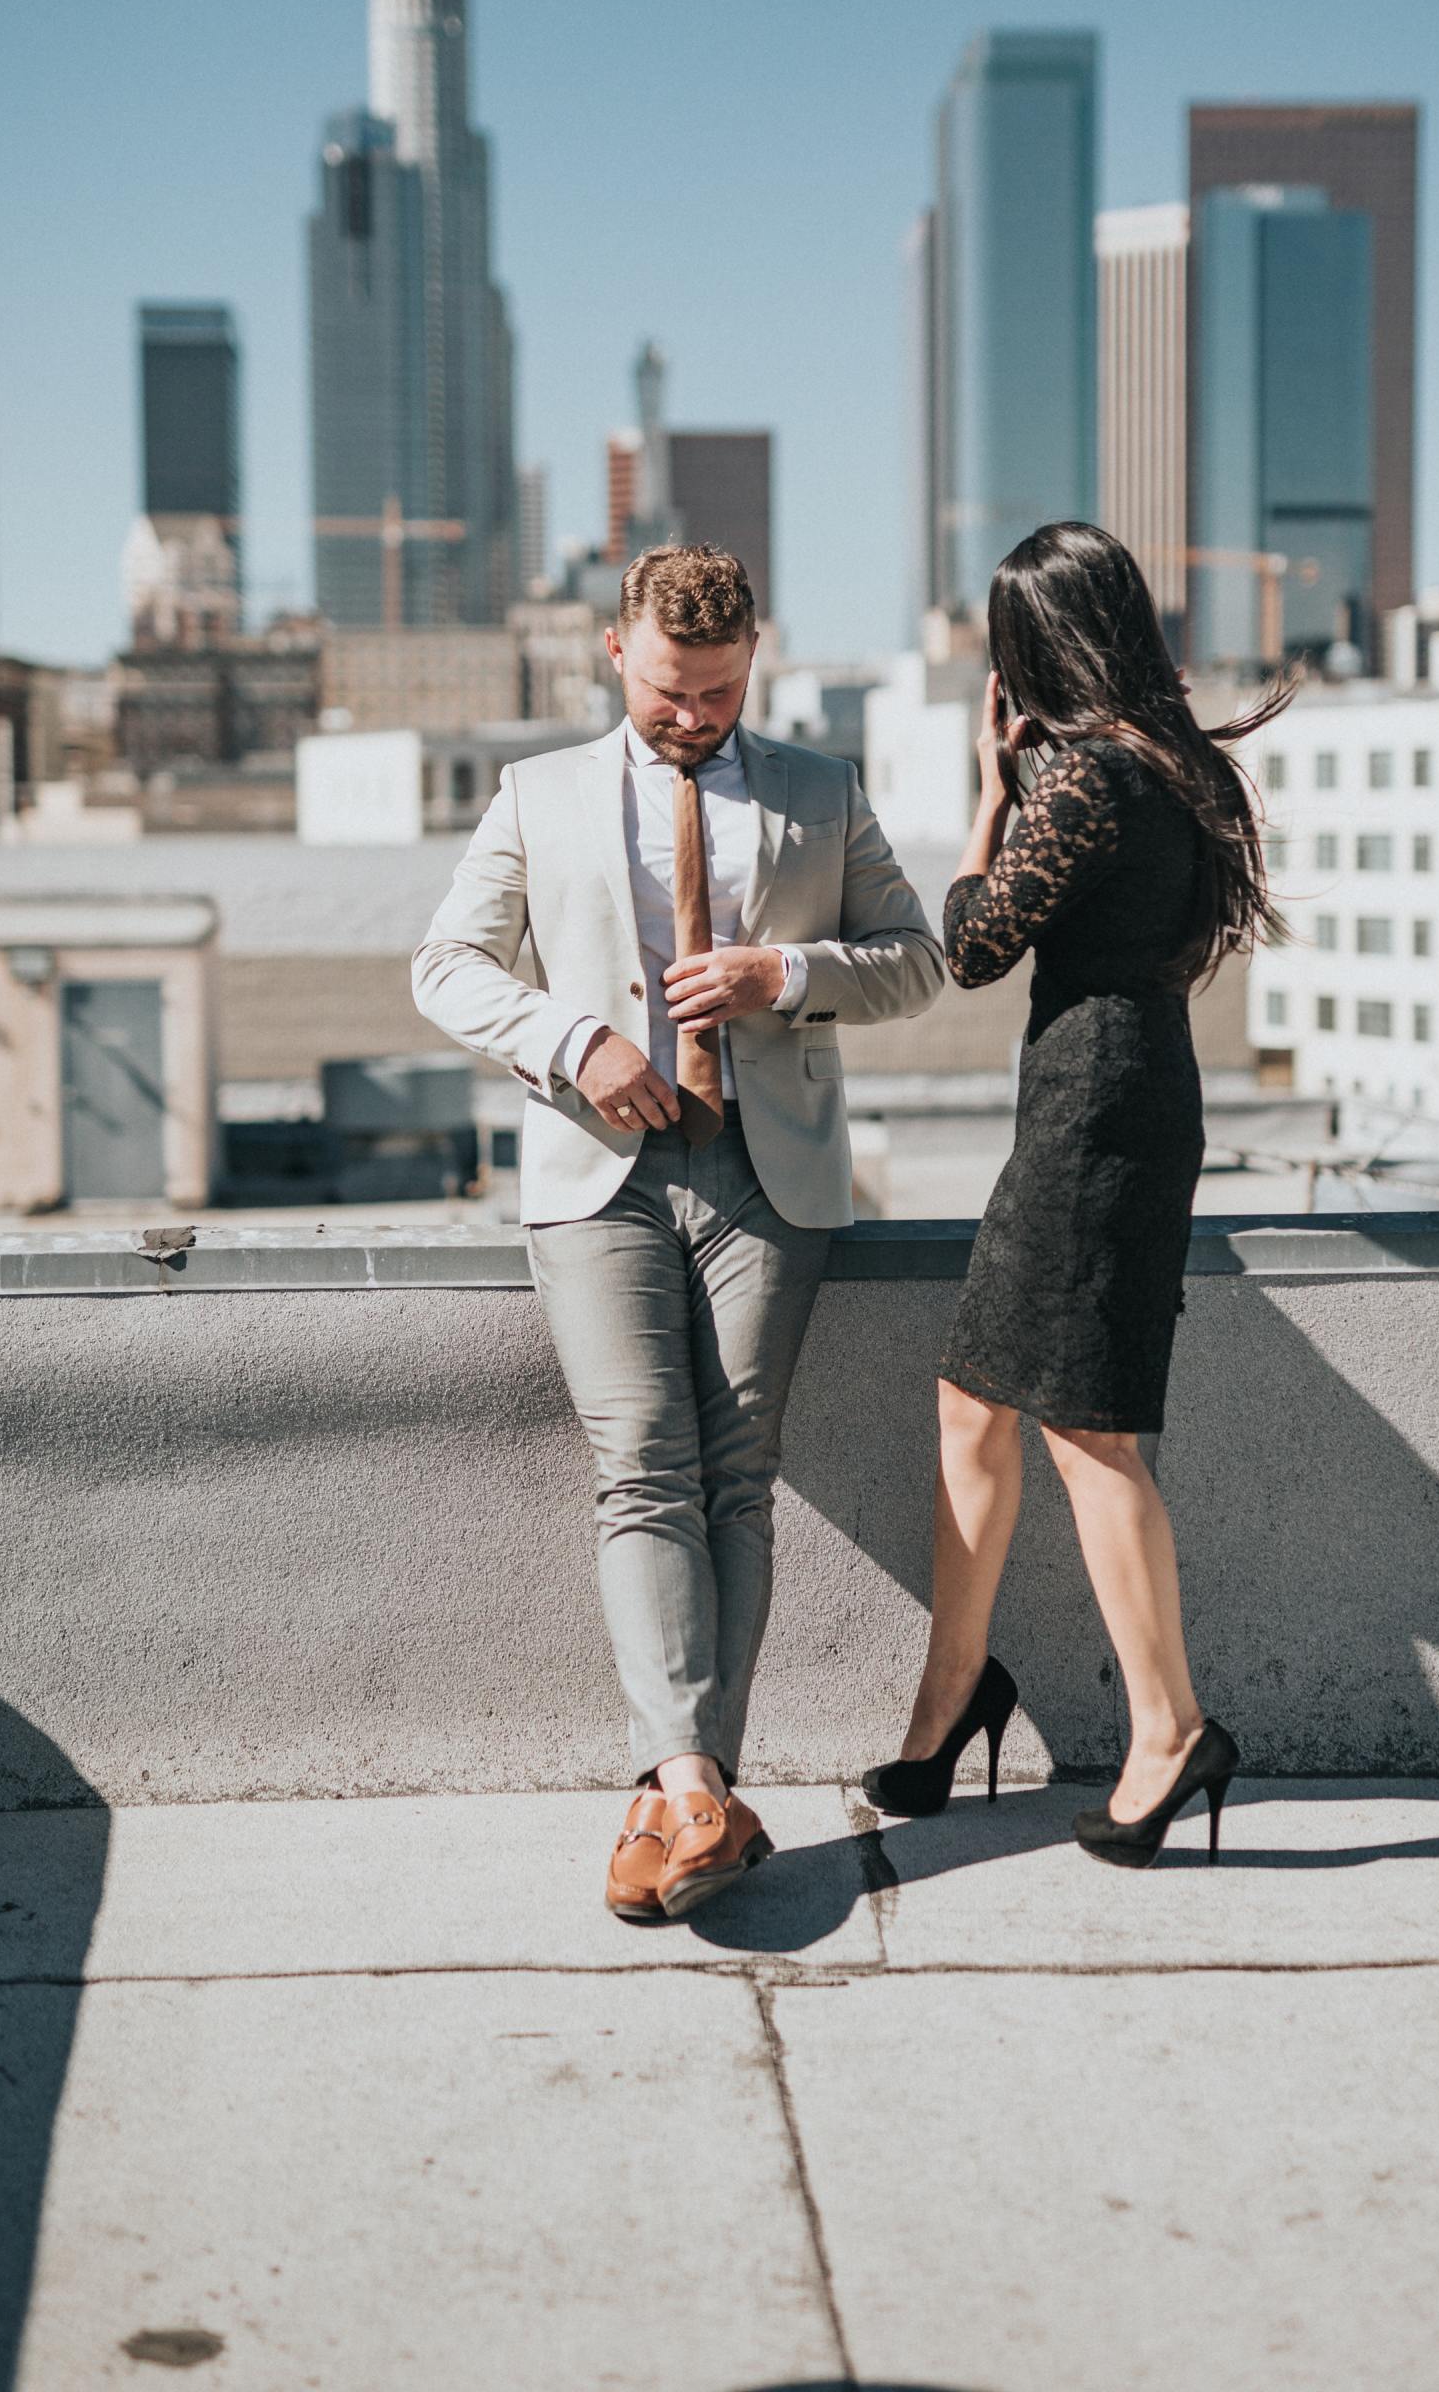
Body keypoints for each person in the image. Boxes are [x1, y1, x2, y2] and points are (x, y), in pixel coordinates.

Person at [414, 544, 943, 1920]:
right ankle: (698, 1783)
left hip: (772, 1180)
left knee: (736, 1476)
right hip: (602, 1177)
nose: (692, 718)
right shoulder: (536, 797)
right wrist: (572, 1039)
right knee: (640, 1464)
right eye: (667, 692)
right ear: (613, 653)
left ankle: (679, 1799)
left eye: (715, 693)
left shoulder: (823, 793)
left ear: (752, 659)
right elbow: (447, 967)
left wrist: (790, 974)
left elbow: (919, 961)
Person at [862, 521, 1284, 1868]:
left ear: (1035, 650)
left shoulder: (1087, 780)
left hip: (1094, 1116)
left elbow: (975, 946)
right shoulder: (1179, 765)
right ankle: (952, 1700)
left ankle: (1170, 1730)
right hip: (1118, 1097)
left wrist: (989, 804)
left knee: (1087, 1429)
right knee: (975, 1395)